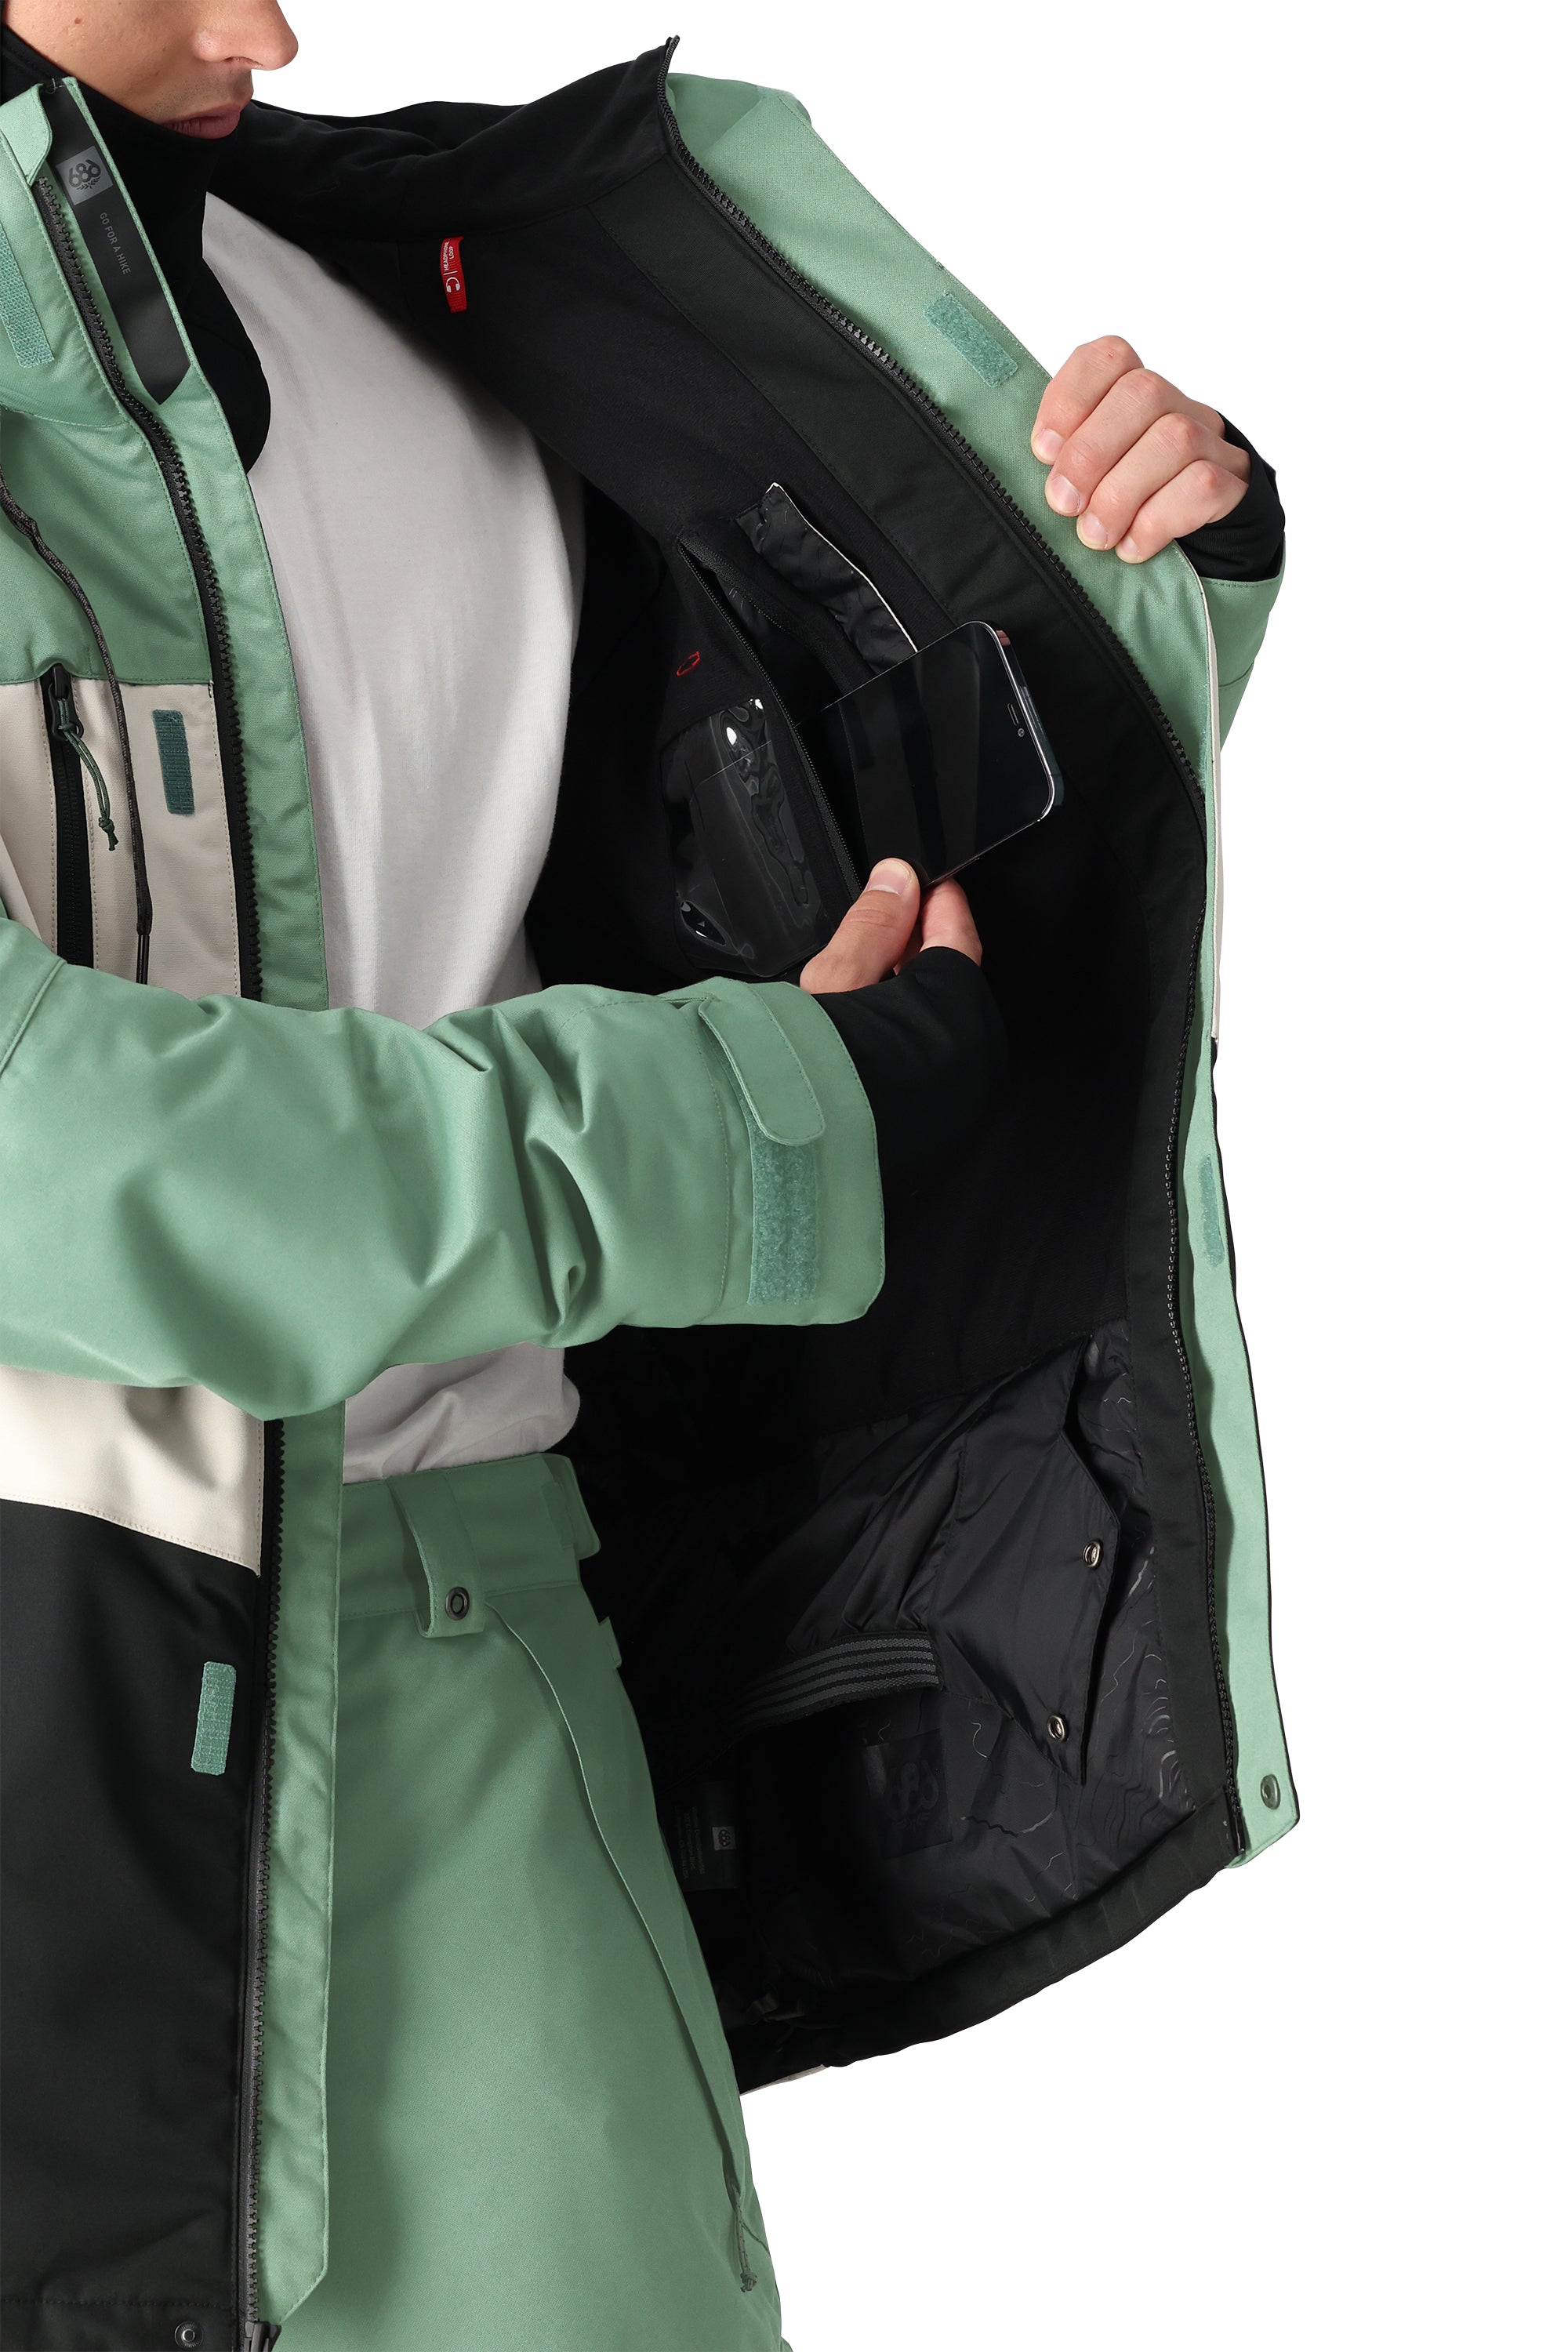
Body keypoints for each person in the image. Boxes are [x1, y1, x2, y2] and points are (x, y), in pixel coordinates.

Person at [0, 8, 1287, 2351]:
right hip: (55, 1695)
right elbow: (43, 1143)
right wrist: (753, 1122)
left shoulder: (411, 282)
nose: (267, 31)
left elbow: (788, 828)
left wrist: (1141, 565)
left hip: (482, 1643)